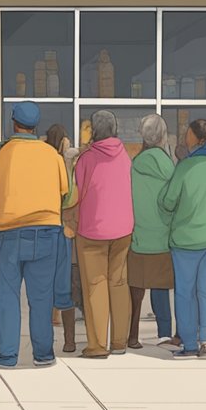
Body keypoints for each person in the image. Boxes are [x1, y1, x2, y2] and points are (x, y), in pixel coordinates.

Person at [0, 101, 68, 368]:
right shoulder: (51, 154)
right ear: (36, 125)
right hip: (47, 230)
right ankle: (43, 354)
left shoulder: (1, 153)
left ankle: (8, 355)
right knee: (41, 297)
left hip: (9, 233)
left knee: (8, 296)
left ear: (13, 122)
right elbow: (64, 193)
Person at [159, 119, 206, 360]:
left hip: (187, 238)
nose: (184, 137)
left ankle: (190, 344)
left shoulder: (184, 167)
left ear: (196, 138)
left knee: (185, 292)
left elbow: (168, 201)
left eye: (187, 134)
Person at [73, 110, 134, 360]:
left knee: (96, 285)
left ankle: (98, 344)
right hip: (123, 228)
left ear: (94, 131)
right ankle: (119, 340)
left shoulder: (87, 158)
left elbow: (77, 193)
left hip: (93, 230)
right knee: (119, 283)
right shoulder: (126, 156)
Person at [128, 115, 176, 350]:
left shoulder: (134, 165)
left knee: (135, 288)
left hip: (138, 235)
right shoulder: (169, 165)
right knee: (161, 286)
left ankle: (132, 335)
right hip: (164, 235)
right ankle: (164, 332)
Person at [46, 124, 81, 354]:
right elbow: (70, 197)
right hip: (66, 231)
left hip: (47, 228)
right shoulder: (66, 165)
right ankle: (69, 340)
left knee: (46, 285)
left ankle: (47, 338)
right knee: (67, 286)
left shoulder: (43, 162)